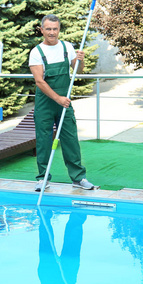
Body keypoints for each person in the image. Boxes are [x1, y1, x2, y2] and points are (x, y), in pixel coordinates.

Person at [29, 14, 98, 192]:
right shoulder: (36, 52)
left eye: (55, 29)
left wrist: (80, 60)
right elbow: (40, 82)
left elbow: (77, 71)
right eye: (48, 29)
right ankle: (43, 178)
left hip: (64, 102)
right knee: (44, 140)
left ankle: (78, 178)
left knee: (70, 139)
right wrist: (57, 98)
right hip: (46, 103)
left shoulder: (67, 47)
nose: (52, 32)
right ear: (42, 30)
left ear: (59, 29)